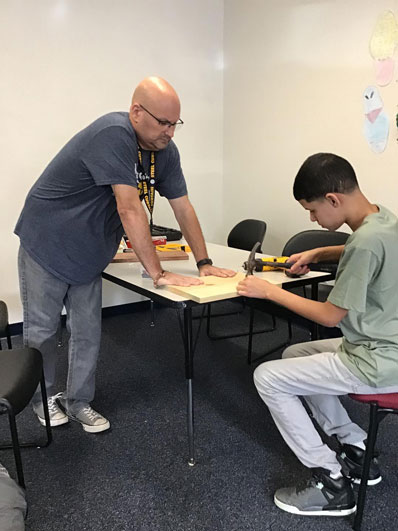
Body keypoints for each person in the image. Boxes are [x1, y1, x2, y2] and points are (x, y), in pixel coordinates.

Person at [15, 76, 235, 434]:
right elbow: (129, 208)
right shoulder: (113, 134)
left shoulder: (164, 152)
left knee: (87, 330)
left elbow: (183, 207)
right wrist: (159, 274)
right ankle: (42, 400)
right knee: (42, 329)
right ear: (136, 112)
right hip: (48, 241)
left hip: (89, 249)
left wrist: (204, 263)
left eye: (175, 124)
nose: (170, 132)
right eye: (163, 122)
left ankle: (78, 402)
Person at [237, 153, 398, 517]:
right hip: (382, 343)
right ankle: (355, 446)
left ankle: (330, 480)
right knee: (296, 354)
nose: (312, 219)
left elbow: (329, 316)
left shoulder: (366, 242)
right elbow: (359, 248)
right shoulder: (382, 219)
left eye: (312, 210)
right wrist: (319, 250)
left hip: (377, 361)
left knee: (267, 378)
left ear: (333, 200)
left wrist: (270, 292)